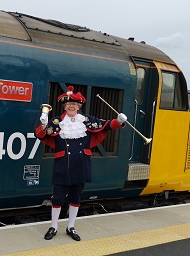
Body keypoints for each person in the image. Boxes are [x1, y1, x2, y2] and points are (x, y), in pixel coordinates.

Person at [35, 86, 127, 241]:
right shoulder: (57, 122)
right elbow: (41, 135)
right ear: (65, 107)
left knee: (75, 198)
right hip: (62, 166)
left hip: (81, 166)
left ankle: (71, 227)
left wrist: (119, 122)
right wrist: (43, 125)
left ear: (78, 107)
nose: (71, 106)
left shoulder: (87, 121)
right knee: (57, 198)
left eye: (74, 104)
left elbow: (105, 125)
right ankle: (54, 226)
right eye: (68, 104)